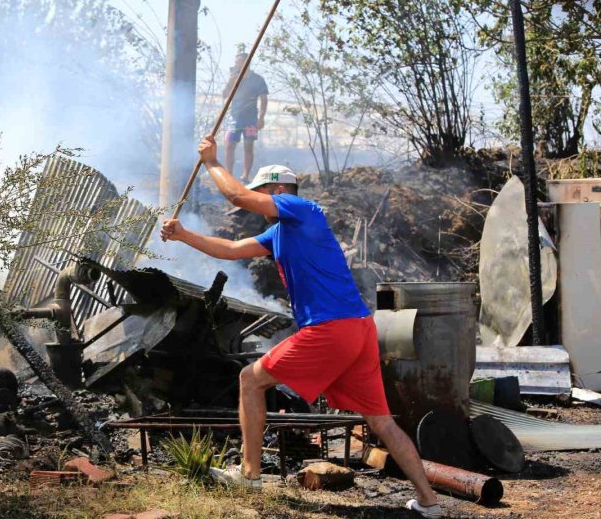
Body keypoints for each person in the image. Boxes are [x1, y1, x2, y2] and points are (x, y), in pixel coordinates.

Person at [159, 135, 442, 518]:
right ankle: (429, 503)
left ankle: (249, 473)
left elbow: (238, 197)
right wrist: (183, 236)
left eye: (264, 193)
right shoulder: (280, 232)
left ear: (277, 190)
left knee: (249, 379)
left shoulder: (300, 207)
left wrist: (211, 162)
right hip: (358, 327)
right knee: (381, 420)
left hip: (332, 328)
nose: (259, 203)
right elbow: (230, 249)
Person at [222, 51, 268, 183]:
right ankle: (229, 175)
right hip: (234, 117)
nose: (237, 64)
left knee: (248, 146)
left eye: (240, 61)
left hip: (251, 119)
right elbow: (224, 95)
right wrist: (230, 82)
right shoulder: (234, 78)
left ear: (247, 63)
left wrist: (261, 118)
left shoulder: (258, 79)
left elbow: (264, 99)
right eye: (236, 62)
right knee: (229, 145)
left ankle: (245, 176)